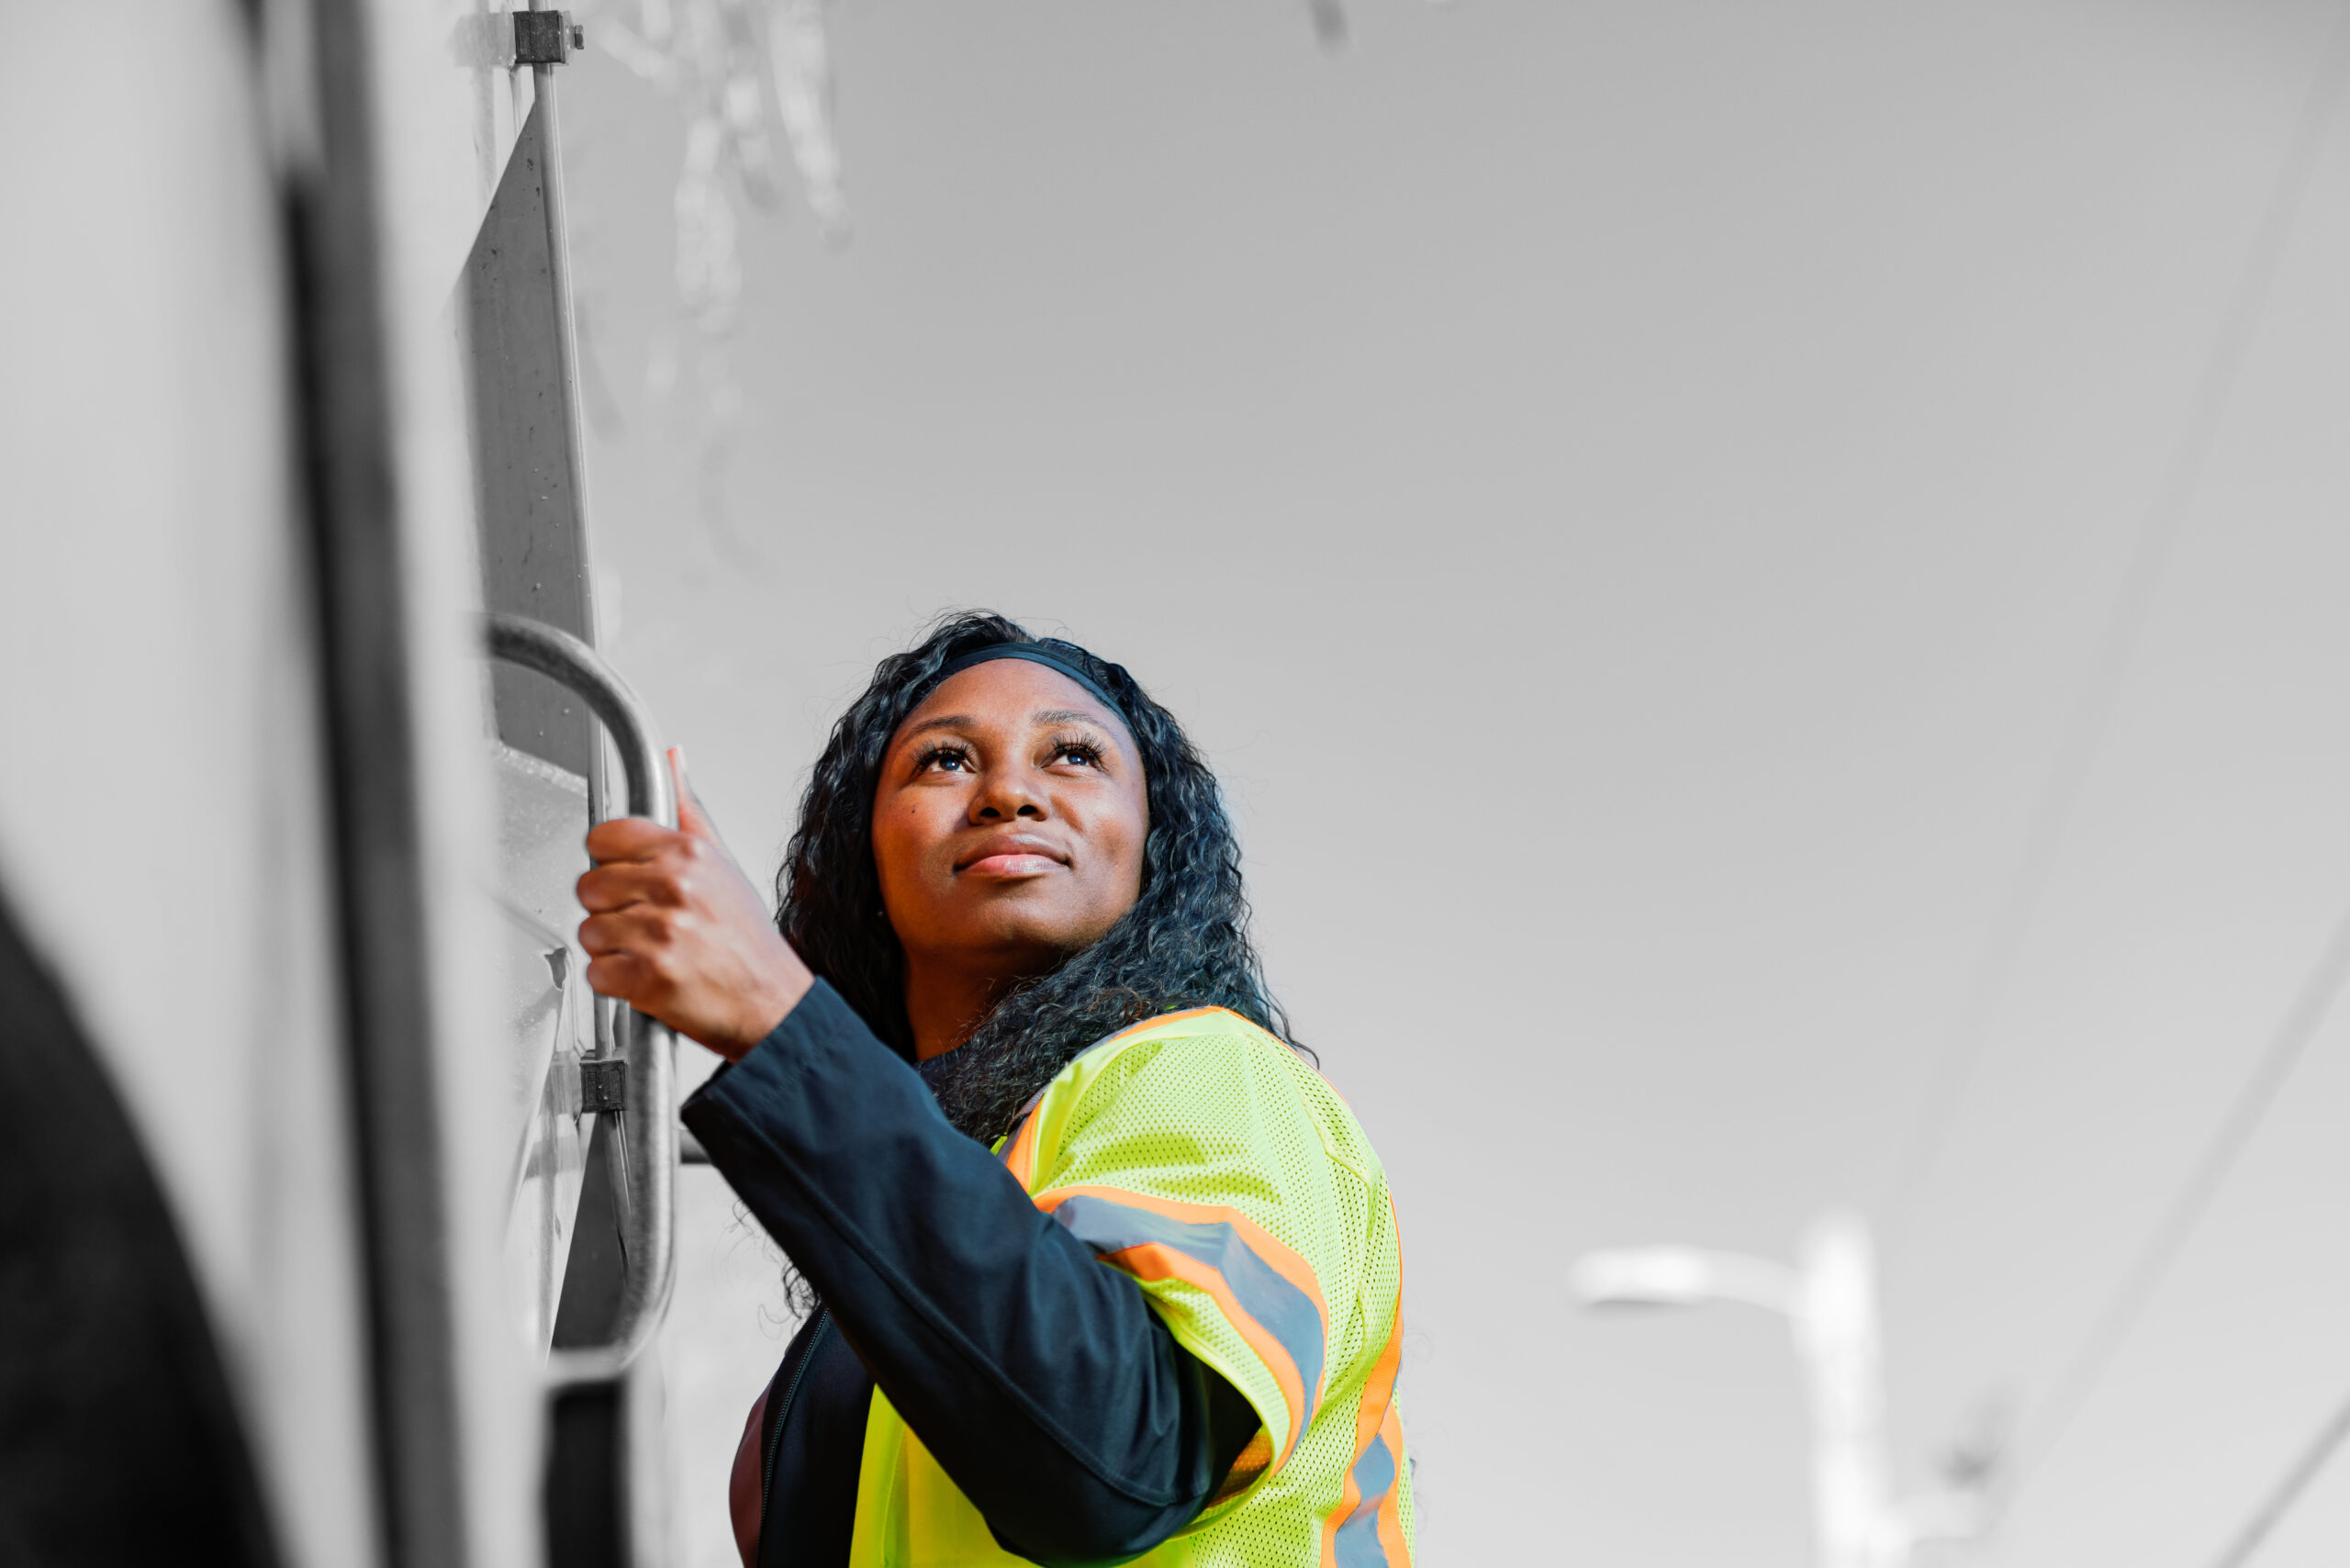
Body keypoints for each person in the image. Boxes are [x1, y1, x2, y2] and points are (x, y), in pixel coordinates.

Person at [576, 612, 1414, 1568]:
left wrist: (777, 1020)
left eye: (1071, 754)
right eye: (942, 760)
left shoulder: (1212, 1071)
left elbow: (1123, 1449)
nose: (1009, 792)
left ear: (1151, 841)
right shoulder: (876, 1294)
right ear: (863, 857)